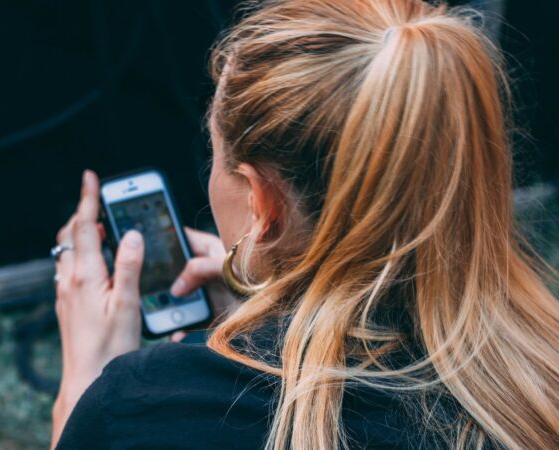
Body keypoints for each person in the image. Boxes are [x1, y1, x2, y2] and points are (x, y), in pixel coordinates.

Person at [49, 0, 559, 448]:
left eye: (216, 156)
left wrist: (86, 387)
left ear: (262, 203)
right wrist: (260, 317)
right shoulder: (541, 374)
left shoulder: (146, 408)